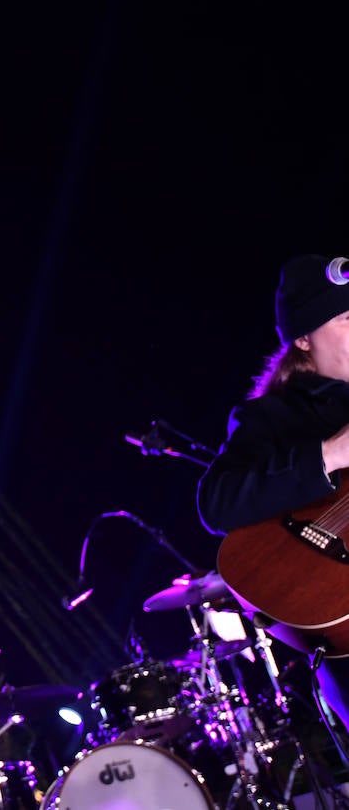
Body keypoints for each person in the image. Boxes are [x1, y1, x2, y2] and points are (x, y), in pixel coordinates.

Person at [196, 252, 349, 733]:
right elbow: (217, 501)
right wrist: (329, 454)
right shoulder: (274, 419)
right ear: (303, 339)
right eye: (348, 320)